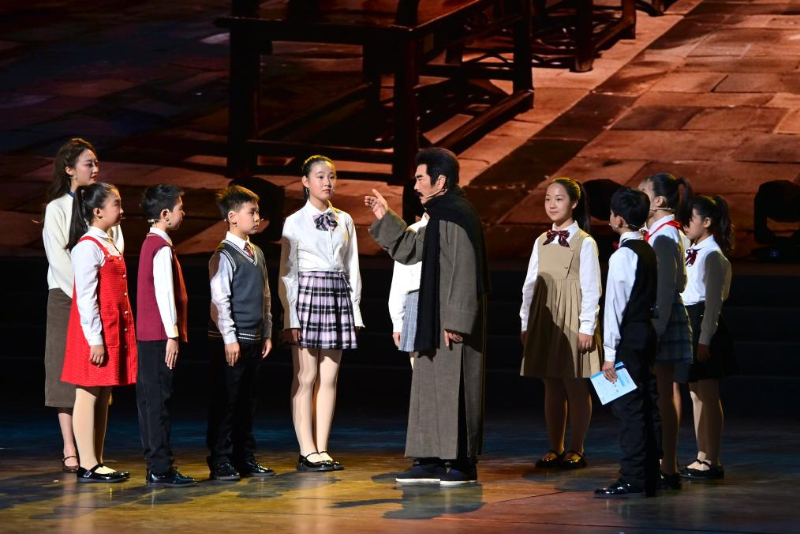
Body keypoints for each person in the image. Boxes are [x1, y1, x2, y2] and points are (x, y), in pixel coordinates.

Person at [365, 147, 490, 486]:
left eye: (421, 178)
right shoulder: (436, 215)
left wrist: (456, 321)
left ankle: (462, 463)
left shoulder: (457, 215)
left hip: (451, 318)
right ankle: (430, 459)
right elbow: (410, 250)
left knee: (455, 389)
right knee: (429, 387)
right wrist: (384, 216)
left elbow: (464, 269)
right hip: (431, 314)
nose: (416, 184)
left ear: (441, 180)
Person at [41, 138, 123, 473]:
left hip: (99, 295)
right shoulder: (57, 207)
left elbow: (115, 244)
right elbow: (57, 256)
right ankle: (70, 447)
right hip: (66, 294)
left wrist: (101, 293)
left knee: (95, 372)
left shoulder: (101, 203)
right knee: (65, 370)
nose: (95, 168)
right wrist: (82, 294)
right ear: (69, 169)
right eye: (89, 163)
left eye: (97, 162)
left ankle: (93, 450)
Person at [279, 155, 362, 472]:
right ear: (305, 181)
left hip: (337, 295)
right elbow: (287, 273)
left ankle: (322, 448)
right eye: (320, 176)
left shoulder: (345, 219)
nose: (327, 182)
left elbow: (352, 266)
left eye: (331, 176)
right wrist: (290, 317)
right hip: (307, 296)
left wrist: (355, 311)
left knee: (329, 377)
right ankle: (306, 449)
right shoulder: (294, 221)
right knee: (306, 376)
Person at [520, 177, 602, 470]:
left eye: (559, 199)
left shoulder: (585, 242)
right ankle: (555, 447)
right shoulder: (541, 240)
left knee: (576, 384)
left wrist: (587, 327)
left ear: (574, 203)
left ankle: (577, 448)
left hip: (573, 317)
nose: (552, 204)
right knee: (551, 384)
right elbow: (530, 285)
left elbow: (592, 288)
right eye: (548, 199)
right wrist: (525, 321)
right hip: (546, 318)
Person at [61, 182, 136, 483]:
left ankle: (97, 459)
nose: (121, 209)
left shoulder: (109, 242)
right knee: (88, 393)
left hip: (110, 329)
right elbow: (86, 297)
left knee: (103, 395)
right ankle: (88, 464)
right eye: (116, 203)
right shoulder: (87, 246)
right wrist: (95, 340)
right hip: (94, 332)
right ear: (97, 211)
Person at [595, 187, 661, 498]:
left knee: (629, 407)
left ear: (618, 219)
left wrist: (609, 354)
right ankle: (650, 474)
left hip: (629, 335)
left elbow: (614, 306)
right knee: (646, 403)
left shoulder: (623, 255)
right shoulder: (647, 249)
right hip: (645, 331)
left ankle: (634, 476)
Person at [207, 185, 274, 481]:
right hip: (231, 342)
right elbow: (220, 300)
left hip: (254, 339)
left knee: (247, 402)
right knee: (226, 402)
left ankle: (244, 456)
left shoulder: (256, 252)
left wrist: (267, 331)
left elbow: (265, 295)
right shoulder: (224, 255)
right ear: (233, 217)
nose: (257, 217)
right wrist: (230, 338)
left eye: (258, 212)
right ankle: (220, 459)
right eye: (252, 212)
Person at [135, 184, 195, 486]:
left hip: (152, 336)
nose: (184, 213)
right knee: (157, 402)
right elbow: (164, 294)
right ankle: (160, 467)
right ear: (165, 213)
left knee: (152, 401)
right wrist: (172, 334)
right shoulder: (159, 247)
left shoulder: (153, 244)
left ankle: (156, 465)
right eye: (180, 208)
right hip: (159, 337)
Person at [639, 172, 694, 490]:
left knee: (664, 392)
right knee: (664, 391)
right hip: (662, 315)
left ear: (658, 200)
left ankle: (668, 464)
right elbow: (681, 280)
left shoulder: (665, 235)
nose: (639, 197)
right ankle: (666, 462)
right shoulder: (665, 232)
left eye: (643, 192)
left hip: (661, 317)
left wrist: (656, 328)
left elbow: (669, 284)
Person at [680, 195, 737, 480]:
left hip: (704, 323)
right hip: (690, 320)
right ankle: (701, 454)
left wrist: (704, 339)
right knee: (695, 394)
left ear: (706, 222)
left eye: (689, 219)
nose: (685, 224)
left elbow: (714, 302)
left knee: (708, 395)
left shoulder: (713, 255)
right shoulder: (692, 249)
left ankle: (711, 458)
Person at [388, 213, 430, 366]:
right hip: (417, 300)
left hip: (444, 299)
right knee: (419, 370)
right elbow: (400, 280)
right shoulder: (413, 231)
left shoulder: (454, 229)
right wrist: (398, 322)